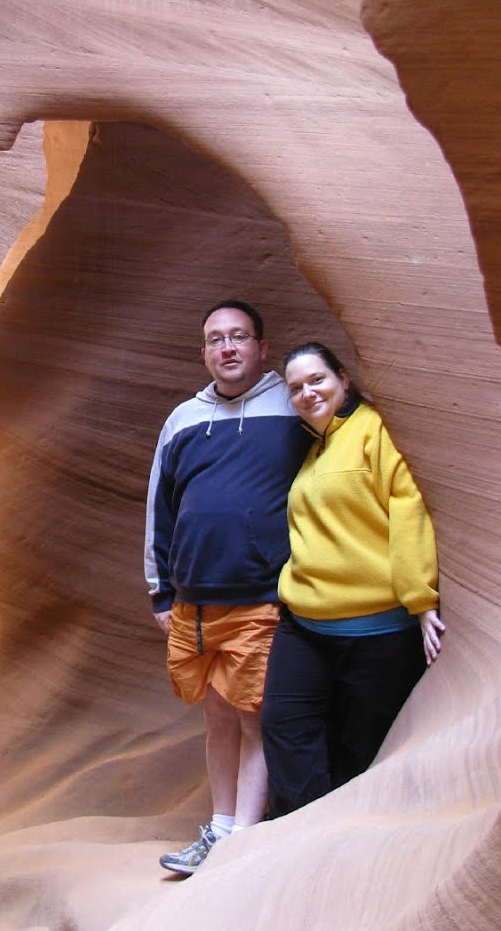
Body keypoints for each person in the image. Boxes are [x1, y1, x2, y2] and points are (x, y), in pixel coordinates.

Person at [146, 301, 310, 875]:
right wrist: (160, 590)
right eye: (216, 339)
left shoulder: (293, 407)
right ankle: (219, 830)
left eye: (239, 336)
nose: (228, 347)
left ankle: (242, 842)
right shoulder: (183, 420)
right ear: (204, 352)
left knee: (252, 717)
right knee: (216, 716)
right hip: (194, 601)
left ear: (262, 347)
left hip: (262, 595)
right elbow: (160, 510)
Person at [261, 342, 445, 816]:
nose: (307, 393)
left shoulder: (374, 431)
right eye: (296, 388)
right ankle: (303, 833)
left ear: (344, 378)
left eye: (317, 380)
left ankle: (349, 845)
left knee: (361, 746)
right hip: (304, 622)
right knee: (285, 727)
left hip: (377, 628)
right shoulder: (312, 447)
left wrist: (420, 599)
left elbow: (406, 509)